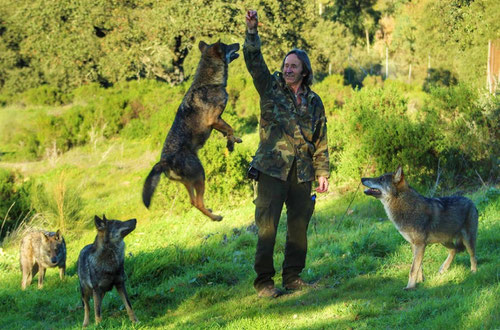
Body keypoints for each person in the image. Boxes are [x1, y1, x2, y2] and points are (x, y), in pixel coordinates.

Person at [243, 9, 330, 298]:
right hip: (271, 169)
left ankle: (293, 277)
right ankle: (265, 282)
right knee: (267, 226)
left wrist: (323, 173)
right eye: (286, 65)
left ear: (304, 71)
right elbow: (254, 61)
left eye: (294, 66)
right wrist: (252, 31)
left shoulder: (315, 101)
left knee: (299, 227)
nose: (288, 69)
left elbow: (320, 139)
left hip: (303, 172)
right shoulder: (270, 88)